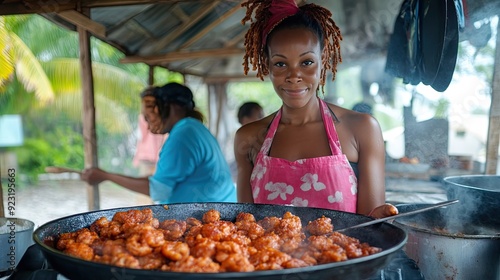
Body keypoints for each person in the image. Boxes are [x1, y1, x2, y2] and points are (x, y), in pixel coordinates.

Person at [234, 0, 397, 218]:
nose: (294, 76)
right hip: (267, 253)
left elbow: (370, 229)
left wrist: (382, 215)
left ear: (323, 61)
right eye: (281, 64)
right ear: (267, 66)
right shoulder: (249, 137)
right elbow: (246, 227)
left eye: (307, 62)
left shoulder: (362, 129)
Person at [81, 83, 237, 204]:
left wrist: (105, 176)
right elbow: (167, 178)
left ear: (171, 108)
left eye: (149, 117)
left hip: (210, 218)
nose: (149, 125)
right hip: (219, 207)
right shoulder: (193, 128)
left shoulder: (183, 135)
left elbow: (158, 191)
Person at [132, 110, 166, 176]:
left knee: (144, 181)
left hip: (146, 154)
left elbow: (142, 136)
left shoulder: (144, 117)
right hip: (156, 156)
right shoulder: (164, 117)